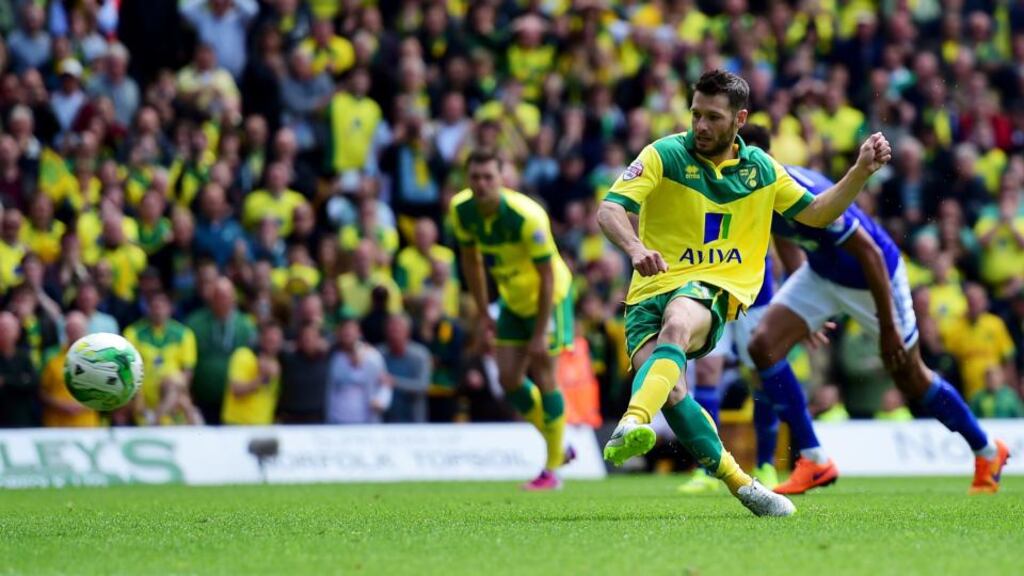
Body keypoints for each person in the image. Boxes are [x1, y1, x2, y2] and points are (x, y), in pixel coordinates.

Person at [596, 70, 890, 516]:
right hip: (646, 292)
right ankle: (743, 485)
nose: (700, 126)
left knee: (679, 322)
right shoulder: (663, 154)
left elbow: (815, 213)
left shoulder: (761, 170)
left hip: (712, 286)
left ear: (740, 119)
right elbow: (609, 209)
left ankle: (633, 421)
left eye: (713, 117)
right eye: (695, 114)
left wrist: (859, 172)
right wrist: (635, 247)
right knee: (672, 395)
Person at [740, 124, 1010, 495]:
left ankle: (986, 449)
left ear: (767, 160)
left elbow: (868, 252)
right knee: (763, 345)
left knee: (910, 377)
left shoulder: (805, 191)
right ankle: (815, 460)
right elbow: (786, 240)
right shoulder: (751, 196)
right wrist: (798, 308)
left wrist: (887, 328)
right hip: (821, 274)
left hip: (873, 277)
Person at [450, 149, 574, 490]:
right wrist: (484, 310)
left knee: (546, 375)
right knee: (508, 380)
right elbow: (470, 261)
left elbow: (548, 276)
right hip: (512, 301)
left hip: (550, 299)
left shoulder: (527, 216)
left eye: (488, 177)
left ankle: (552, 470)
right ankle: (559, 443)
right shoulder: (462, 210)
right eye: (475, 177)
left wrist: (539, 333)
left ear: (501, 178)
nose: (481, 184)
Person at [186, 277, 257, 424]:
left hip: (236, 402)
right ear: (211, 298)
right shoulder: (195, 323)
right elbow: (187, 362)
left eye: (225, 296)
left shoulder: (246, 325)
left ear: (234, 299)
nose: (221, 301)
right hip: (202, 399)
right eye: (217, 296)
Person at [123, 291, 198, 419]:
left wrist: (177, 387)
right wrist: (135, 397)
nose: (158, 311)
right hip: (143, 399)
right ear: (147, 309)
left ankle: (158, 416)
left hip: (172, 398)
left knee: (173, 384)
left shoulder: (184, 334)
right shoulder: (133, 333)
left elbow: (187, 372)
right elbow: (127, 369)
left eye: (162, 307)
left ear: (170, 308)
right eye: (154, 307)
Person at [325, 316, 392, 425]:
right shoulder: (333, 357)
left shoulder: (372, 356)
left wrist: (381, 401)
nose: (347, 333)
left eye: (351, 329)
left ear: (359, 333)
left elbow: (385, 383)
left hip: (366, 421)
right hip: (337, 421)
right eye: (344, 330)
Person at [40, 311, 100, 427]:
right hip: (56, 425)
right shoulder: (51, 357)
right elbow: (42, 392)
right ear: (65, 331)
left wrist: (85, 404)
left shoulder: (99, 359)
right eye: (71, 329)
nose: (75, 332)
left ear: (86, 330)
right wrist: (60, 405)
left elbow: (108, 391)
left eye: (78, 328)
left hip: (87, 426)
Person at [223, 321, 283, 425]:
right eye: (269, 340)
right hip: (236, 425)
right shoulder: (243, 355)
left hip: (263, 428)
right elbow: (236, 390)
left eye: (275, 341)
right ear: (261, 338)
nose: (273, 343)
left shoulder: (279, 364)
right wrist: (262, 378)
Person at [379, 314, 432, 423]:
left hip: (412, 421)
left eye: (398, 328)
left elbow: (423, 386)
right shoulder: (378, 354)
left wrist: (394, 382)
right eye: (392, 328)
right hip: (385, 420)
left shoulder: (420, 355)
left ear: (408, 331)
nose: (394, 331)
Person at [278, 322, 330, 424]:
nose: (309, 340)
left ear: (319, 339)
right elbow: (267, 345)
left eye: (313, 336)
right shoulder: (287, 358)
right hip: (290, 419)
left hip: (318, 419)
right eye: (305, 337)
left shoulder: (328, 357)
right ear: (299, 340)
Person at [0, 311, 38, 427]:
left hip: (22, 419)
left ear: (17, 332)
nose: (4, 333)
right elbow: (24, 381)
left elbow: (33, 383)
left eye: (7, 329)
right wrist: (19, 380)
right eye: (2, 329)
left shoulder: (24, 356)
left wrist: (5, 381)